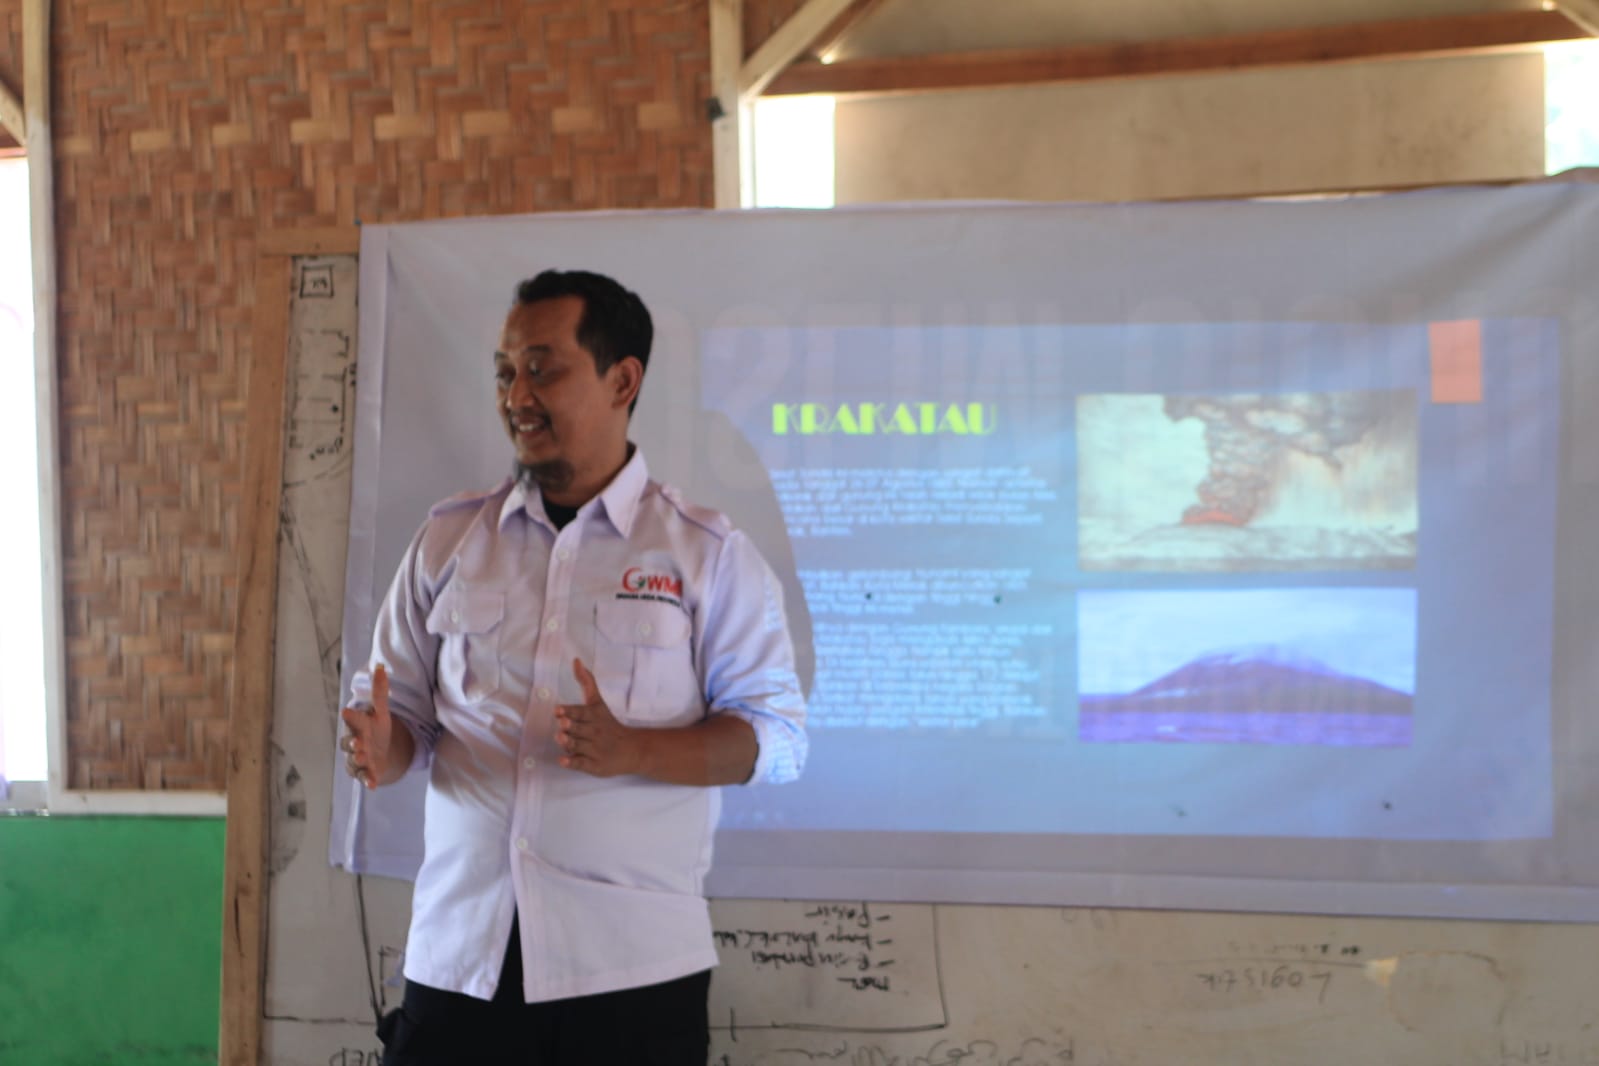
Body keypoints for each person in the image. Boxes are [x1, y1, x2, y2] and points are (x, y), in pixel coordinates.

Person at [338, 269, 808, 1065]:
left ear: (622, 379)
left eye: (542, 367)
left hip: (628, 976)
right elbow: (401, 718)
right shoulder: (451, 540)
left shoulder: (704, 553)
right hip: (459, 963)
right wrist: (383, 747)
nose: (517, 393)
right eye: (504, 371)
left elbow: (780, 740)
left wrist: (636, 752)